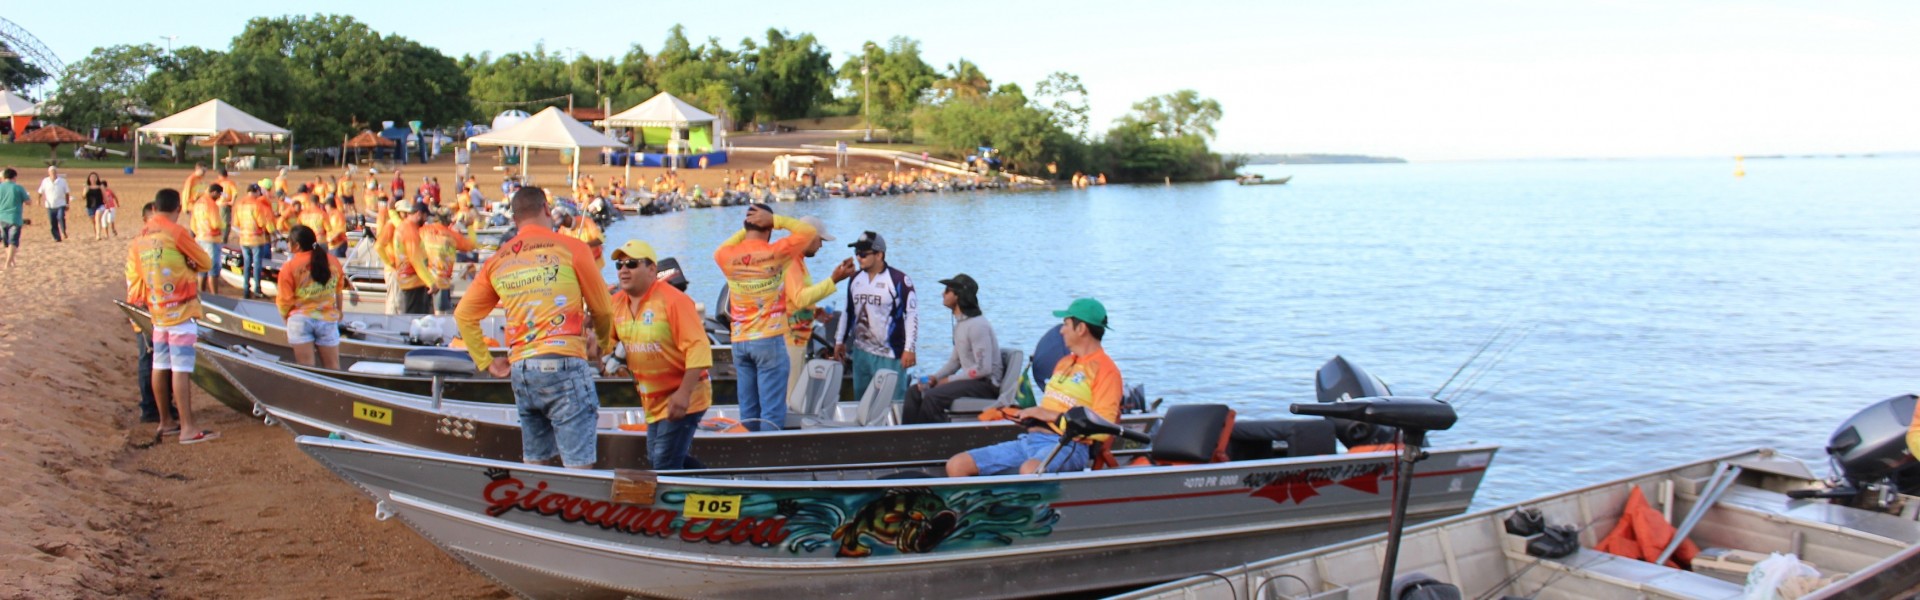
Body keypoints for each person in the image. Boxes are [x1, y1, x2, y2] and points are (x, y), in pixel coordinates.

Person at [455, 186, 614, 469]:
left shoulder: (498, 260)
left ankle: (536, 509)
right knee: (579, 467)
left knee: (536, 462)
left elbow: (464, 315)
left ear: (515, 219)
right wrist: (603, 345)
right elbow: (602, 309)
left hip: (522, 370)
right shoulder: (573, 248)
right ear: (546, 210)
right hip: (563, 363)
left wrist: (487, 362)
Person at [947, 298, 1119, 476]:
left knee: (1031, 470)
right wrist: (1011, 413)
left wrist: (1050, 416)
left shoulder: (1106, 371)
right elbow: (1049, 409)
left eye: (1066, 324)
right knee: (958, 465)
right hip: (1031, 439)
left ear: (1081, 328)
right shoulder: (1064, 363)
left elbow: (1103, 429)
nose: (1061, 330)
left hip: (1068, 445)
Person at [712, 203, 819, 431]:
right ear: (769, 229)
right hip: (769, 339)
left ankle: (749, 457)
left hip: (740, 341)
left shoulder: (727, 256)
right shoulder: (776, 252)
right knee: (771, 412)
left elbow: (720, 248)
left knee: (748, 411)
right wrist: (776, 219)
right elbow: (808, 233)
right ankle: (768, 459)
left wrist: (747, 227)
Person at [608, 240, 712, 469]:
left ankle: (692, 497)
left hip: (686, 395)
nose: (624, 270)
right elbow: (609, 342)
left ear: (652, 269)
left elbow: (698, 347)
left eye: (632, 264)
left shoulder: (674, 301)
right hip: (651, 400)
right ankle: (718, 484)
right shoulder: (615, 304)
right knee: (662, 457)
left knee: (663, 462)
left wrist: (683, 394)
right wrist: (604, 356)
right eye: (620, 265)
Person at [126, 188, 219, 445]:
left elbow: (136, 275)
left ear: (154, 208)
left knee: (160, 364)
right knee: (180, 369)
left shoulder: (141, 236)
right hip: (181, 309)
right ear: (178, 208)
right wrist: (189, 264)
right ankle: (187, 428)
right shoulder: (176, 232)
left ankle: (165, 421)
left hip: (157, 311)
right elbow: (205, 262)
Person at [902, 274, 1002, 424]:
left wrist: (949, 380)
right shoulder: (961, 325)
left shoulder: (977, 326)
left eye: (947, 290)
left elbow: (983, 369)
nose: (943, 293)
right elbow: (955, 362)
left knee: (933, 396)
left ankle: (929, 441)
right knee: (914, 391)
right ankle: (906, 436)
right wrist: (935, 377)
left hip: (986, 384)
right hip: (972, 381)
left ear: (959, 295)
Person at [834, 231, 918, 403]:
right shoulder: (855, 279)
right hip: (861, 353)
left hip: (890, 354)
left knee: (892, 404)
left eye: (863, 254)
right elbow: (848, 311)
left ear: (880, 255)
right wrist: (839, 341)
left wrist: (910, 349)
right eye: (856, 253)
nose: (858, 258)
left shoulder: (899, 280)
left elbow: (911, 315)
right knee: (862, 403)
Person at [277, 225, 352, 369]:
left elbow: (284, 301)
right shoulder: (333, 261)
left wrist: (286, 318)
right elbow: (339, 290)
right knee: (333, 369)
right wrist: (339, 311)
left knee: (307, 370)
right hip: (327, 319)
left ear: (296, 245)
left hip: (300, 319)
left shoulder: (289, 267)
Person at [419, 208, 476, 314]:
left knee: (424, 313)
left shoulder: (424, 231)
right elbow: (472, 245)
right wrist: (470, 227)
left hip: (424, 279)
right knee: (440, 314)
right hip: (442, 280)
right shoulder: (452, 236)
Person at [231, 184, 279, 299]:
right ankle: (257, 288)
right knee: (257, 264)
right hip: (256, 239)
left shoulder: (240, 204)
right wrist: (273, 233)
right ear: (256, 191)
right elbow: (262, 223)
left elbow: (236, 223)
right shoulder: (258, 205)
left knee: (247, 264)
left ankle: (246, 289)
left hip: (244, 238)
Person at [394, 200, 439, 314]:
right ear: (419, 214)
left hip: (407, 280)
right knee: (417, 321)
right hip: (414, 284)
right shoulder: (410, 231)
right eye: (425, 216)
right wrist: (431, 282)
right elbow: (417, 260)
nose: (425, 220)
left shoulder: (403, 226)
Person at [0, 168, 28, 269]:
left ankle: (11, 262)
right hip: (15, 218)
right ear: (14, 177)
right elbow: (28, 201)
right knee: (13, 241)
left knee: (6, 242)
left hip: (2, 218)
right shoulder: (18, 188)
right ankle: (8, 263)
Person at [36, 166, 69, 243]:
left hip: (61, 204)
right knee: (52, 222)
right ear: (49, 173)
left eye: (54, 172)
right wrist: (38, 200)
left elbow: (67, 193)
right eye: (51, 172)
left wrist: (67, 204)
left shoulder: (62, 181)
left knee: (61, 217)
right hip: (50, 205)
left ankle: (63, 231)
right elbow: (40, 191)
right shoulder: (45, 181)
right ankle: (57, 237)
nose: (53, 173)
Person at [84, 172, 105, 240]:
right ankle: (96, 233)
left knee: (97, 218)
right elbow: (83, 197)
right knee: (94, 222)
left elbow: (105, 196)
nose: (93, 179)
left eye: (94, 177)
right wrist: (85, 191)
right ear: (89, 179)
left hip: (100, 205)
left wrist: (108, 205)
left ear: (97, 178)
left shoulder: (100, 186)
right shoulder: (87, 187)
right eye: (91, 177)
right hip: (90, 206)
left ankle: (98, 235)